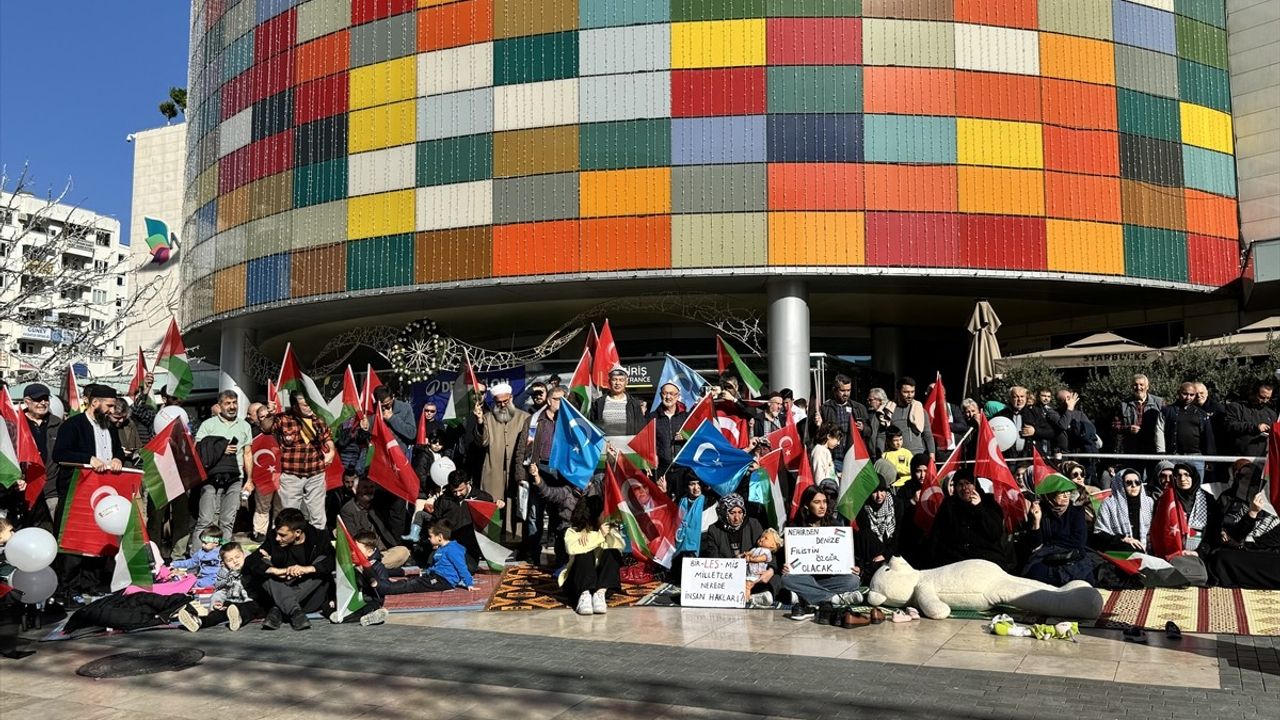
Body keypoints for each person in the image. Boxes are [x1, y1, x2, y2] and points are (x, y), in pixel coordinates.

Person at [51, 383, 126, 604]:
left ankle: (91, 585)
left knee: (97, 540)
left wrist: (117, 459)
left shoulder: (110, 427)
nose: (113, 411)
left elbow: (118, 450)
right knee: (74, 540)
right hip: (78, 491)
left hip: (102, 494)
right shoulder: (73, 425)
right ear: (95, 403)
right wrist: (87, 459)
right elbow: (60, 453)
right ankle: (68, 588)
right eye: (110, 406)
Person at [244, 508, 335, 631]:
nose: (277, 538)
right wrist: (275, 570)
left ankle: (278, 610)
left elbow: (332, 561)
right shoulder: (273, 538)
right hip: (280, 586)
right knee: (264, 566)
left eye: (282, 535)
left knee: (320, 564)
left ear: (297, 532)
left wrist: (306, 569)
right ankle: (295, 612)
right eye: (277, 533)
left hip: (308, 594)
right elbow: (251, 560)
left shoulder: (319, 537)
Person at [782, 486, 863, 620]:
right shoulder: (795, 527)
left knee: (853, 580)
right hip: (805, 578)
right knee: (786, 579)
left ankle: (807, 596)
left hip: (828, 579)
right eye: (817, 502)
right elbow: (789, 560)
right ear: (807, 505)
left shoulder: (835, 526)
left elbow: (845, 556)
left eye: (824, 502)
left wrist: (854, 567)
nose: (822, 506)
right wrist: (787, 566)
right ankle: (833, 598)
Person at [260, 394, 336, 530]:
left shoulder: (317, 417)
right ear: (295, 406)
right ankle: (292, 545)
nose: (309, 407)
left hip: (316, 473)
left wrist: (331, 450)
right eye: (305, 405)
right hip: (291, 475)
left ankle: (316, 545)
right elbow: (265, 428)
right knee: (290, 515)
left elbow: (327, 437)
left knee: (317, 516)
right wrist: (270, 414)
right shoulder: (283, 419)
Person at [192, 390, 253, 551]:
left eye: (234, 402)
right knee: (205, 520)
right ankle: (197, 558)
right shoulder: (208, 425)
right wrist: (219, 449)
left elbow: (247, 453)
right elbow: (198, 449)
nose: (232, 407)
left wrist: (249, 480)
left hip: (235, 478)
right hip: (210, 478)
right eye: (228, 403)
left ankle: (221, 558)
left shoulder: (245, 425)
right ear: (220, 406)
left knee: (227, 521)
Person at [1209, 461, 1280, 589]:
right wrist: (1251, 514)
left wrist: (1242, 543)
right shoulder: (1227, 499)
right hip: (1237, 552)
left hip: (1263, 553)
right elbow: (1222, 531)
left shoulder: (1270, 503)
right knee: (1220, 558)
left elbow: (1269, 541)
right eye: (1242, 477)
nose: (1248, 482)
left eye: (1253, 478)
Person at [469, 382, 529, 530]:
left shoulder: (525, 418)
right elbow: (482, 441)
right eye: (499, 402)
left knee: (515, 514)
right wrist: (480, 421)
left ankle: (515, 547)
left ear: (512, 398)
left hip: (516, 473)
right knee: (492, 515)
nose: (502, 405)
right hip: (493, 473)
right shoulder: (488, 418)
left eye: (505, 401)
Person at [701, 493, 779, 606]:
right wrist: (736, 561)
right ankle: (753, 596)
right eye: (732, 513)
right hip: (730, 576)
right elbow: (714, 559)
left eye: (740, 512)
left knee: (776, 578)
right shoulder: (714, 530)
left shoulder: (753, 524)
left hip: (755, 576)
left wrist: (769, 571)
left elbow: (769, 553)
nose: (737, 517)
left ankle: (758, 594)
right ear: (723, 513)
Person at [927, 472, 1013, 571]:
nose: (964, 488)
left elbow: (994, 533)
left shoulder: (989, 503)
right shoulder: (949, 504)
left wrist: (979, 508)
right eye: (960, 484)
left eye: (968, 483)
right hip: (955, 561)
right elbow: (937, 535)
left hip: (986, 559)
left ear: (975, 485)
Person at [176, 542, 263, 632]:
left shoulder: (252, 567)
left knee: (248, 608)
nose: (235, 561)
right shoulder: (224, 574)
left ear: (244, 555)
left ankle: (239, 619)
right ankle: (199, 621)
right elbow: (221, 590)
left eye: (238, 557)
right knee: (218, 613)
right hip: (233, 602)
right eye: (230, 560)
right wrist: (217, 602)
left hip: (252, 601)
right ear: (224, 563)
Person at [560, 494, 623, 616]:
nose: (606, 516)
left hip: (600, 583)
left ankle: (600, 594)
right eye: (603, 513)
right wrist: (597, 536)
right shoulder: (573, 532)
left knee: (613, 552)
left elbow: (620, 546)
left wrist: (608, 534)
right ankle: (585, 596)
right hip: (578, 584)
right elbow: (572, 548)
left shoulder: (607, 530)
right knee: (584, 550)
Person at [1021, 484, 1092, 586]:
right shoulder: (1043, 511)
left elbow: (1079, 542)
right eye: (1061, 492)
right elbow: (1035, 546)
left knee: (1085, 580)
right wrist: (1036, 521)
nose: (1066, 495)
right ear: (1050, 494)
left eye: (1068, 491)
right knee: (1034, 574)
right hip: (1048, 558)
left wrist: (1051, 543)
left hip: (1071, 557)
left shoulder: (1076, 511)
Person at [339, 481, 411, 569]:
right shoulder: (348, 509)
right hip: (365, 552)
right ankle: (371, 566)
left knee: (403, 551)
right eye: (365, 487)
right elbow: (355, 537)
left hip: (383, 553)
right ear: (355, 490)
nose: (369, 490)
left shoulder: (377, 505)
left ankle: (373, 567)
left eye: (372, 487)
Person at [20, 383, 62, 526]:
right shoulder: (16, 423)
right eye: (38, 399)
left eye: (45, 399)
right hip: (24, 490)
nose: (43, 403)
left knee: (54, 530)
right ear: (27, 401)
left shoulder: (58, 424)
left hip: (51, 490)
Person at [1156, 382, 1215, 480]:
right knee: (1173, 487)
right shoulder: (1167, 411)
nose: (1188, 397)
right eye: (1185, 394)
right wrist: (1161, 453)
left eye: (1191, 395)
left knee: (1197, 488)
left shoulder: (1202, 414)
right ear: (1178, 393)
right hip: (1173, 456)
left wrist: (1211, 458)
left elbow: (1208, 437)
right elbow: (1159, 431)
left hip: (1197, 457)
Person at [1091, 468, 1153, 553]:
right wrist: (1123, 539)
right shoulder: (1109, 504)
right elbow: (1099, 533)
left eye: (1137, 482)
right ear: (1120, 484)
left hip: (1147, 549)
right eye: (1129, 482)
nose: (1134, 485)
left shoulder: (1149, 502)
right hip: (1121, 548)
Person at [853, 474, 899, 580]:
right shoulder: (864, 507)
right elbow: (866, 535)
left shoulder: (896, 504)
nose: (879, 496)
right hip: (874, 550)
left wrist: (885, 555)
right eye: (875, 492)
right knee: (864, 534)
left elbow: (898, 535)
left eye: (882, 491)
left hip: (892, 549)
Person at [818, 375, 869, 469]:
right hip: (834, 456)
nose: (846, 393)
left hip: (854, 456)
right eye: (842, 390)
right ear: (834, 390)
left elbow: (869, 431)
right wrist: (818, 425)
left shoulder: (858, 408)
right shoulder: (825, 408)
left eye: (848, 390)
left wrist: (863, 428)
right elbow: (819, 433)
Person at [248, 403, 282, 542]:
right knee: (262, 506)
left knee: (280, 505)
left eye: (267, 416)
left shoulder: (281, 430)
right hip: (263, 476)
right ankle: (259, 532)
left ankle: (277, 531)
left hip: (281, 474)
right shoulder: (253, 433)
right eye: (261, 417)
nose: (265, 419)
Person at [648, 382, 689, 488]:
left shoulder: (686, 417)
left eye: (671, 393)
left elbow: (696, 440)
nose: (668, 397)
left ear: (678, 396)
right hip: (661, 470)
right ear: (660, 395)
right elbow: (646, 443)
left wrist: (686, 438)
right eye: (665, 393)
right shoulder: (651, 418)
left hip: (683, 470)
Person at [1223, 381, 1275, 459]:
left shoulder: (1271, 414)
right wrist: (1255, 427)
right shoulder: (1236, 408)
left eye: (1268, 398)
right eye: (1262, 397)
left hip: (1263, 459)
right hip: (1240, 458)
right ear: (1253, 393)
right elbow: (1229, 425)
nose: (1265, 401)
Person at [1114, 374, 1162, 457]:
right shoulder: (1124, 404)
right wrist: (1128, 428)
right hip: (1132, 448)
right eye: (1135, 385)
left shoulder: (1159, 403)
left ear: (1147, 387)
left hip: (1153, 447)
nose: (1138, 387)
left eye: (1141, 385)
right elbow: (1115, 425)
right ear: (1132, 387)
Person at [887, 377, 935, 458]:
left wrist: (932, 454)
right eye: (906, 392)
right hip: (895, 456)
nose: (910, 395)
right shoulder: (889, 410)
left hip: (917, 454)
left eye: (912, 392)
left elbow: (928, 434)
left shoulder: (920, 410)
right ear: (898, 392)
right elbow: (882, 435)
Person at [589, 368, 645, 435]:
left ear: (626, 382)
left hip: (627, 444)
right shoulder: (598, 403)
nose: (617, 383)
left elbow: (641, 429)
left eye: (621, 380)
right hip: (605, 444)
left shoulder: (634, 404)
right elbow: (592, 427)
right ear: (609, 382)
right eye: (614, 379)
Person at [743, 528, 783, 605]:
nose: (762, 539)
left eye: (766, 538)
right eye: (762, 537)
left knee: (748, 585)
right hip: (749, 573)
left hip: (758, 575)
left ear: (772, 545)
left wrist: (751, 559)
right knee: (746, 585)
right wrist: (745, 555)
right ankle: (750, 597)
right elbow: (748, 553)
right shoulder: (754, 549)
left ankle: (748, 598)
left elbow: (763, 558)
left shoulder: (767, 551)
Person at [373, 386, 416, 454]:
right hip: (379, 453)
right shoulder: (374, 409)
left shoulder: (405, 408)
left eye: (388, 404)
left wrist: (392, 418)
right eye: (382, 405)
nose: (385, 407)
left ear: (393, 397)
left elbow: (411, 433)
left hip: (399, 453)